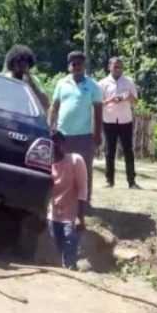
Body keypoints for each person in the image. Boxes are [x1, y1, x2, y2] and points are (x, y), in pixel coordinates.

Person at [49, 51, 103, 202]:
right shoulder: (61, 83)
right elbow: (54, 107)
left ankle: (84, 202)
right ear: (69, 66)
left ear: (84, 66)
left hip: (84, 136)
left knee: (84, 170)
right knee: (60, 168)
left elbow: (98, 112)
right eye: (74, 64)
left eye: (80, 63)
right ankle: (60, 198)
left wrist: (97, 135)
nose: (77, 66)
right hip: (62, 136)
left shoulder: (93, 86)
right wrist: (49, 127)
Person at [47, 131, 88, 269]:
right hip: (53, 215)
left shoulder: (75, 161)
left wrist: (80, 217)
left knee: (69, 253)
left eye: (57, 143)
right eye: (51, 143)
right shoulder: (46, 165)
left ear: (63, 144)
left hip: (71, 216)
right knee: (57, 250)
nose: (54, 147)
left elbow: (82, 189)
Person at [98, 56, 140, 189]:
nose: (118, 69)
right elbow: (99, 104)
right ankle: (109, 180)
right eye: (115, 66)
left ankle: (131, 181)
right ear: (109, 67)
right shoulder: (102, 83)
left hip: (125, 119)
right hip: (109, 119)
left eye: (120, 67)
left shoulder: (129, 82)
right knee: (109, 151)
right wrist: (111, 100)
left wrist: (129, 97)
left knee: (128, 150)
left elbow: (135, 102)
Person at [2, 44, 50, 109]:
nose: (22, 68)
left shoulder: (33, 80)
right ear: (12, 65)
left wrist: (31, 83)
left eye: (24, 65)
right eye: (19, 65)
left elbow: (46, 105)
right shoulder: (5, 80)